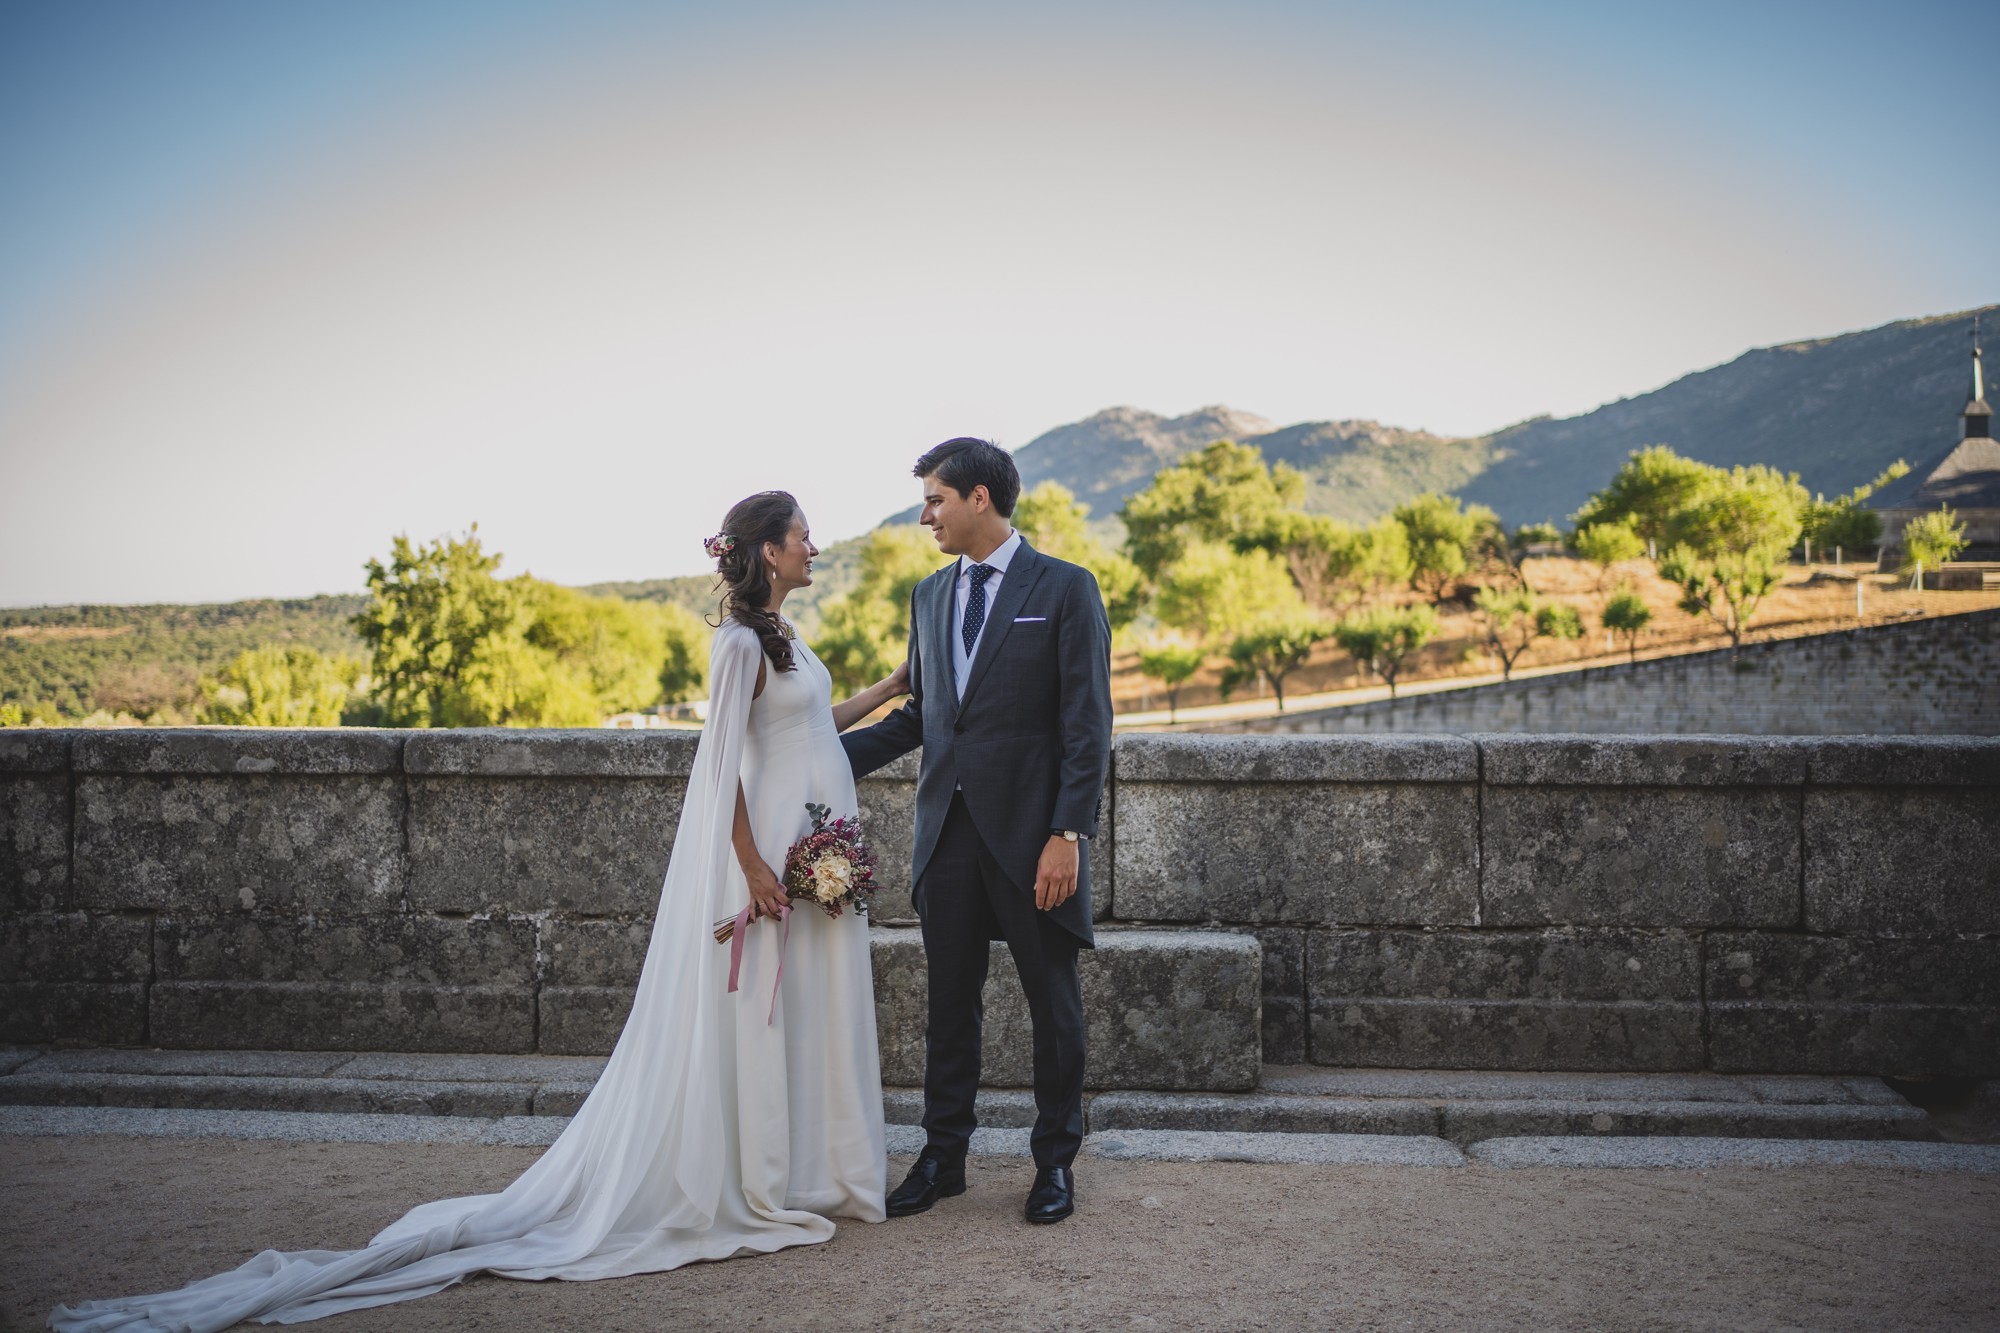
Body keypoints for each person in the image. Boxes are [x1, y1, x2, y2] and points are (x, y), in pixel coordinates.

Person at [52, 491, 906, 1332]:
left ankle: (803, 1170)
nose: (815, 547)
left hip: (809, 854)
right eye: (802, 536)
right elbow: (719, 770)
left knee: (795, 1016)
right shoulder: (735, 648)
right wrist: (754, 864)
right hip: (763, 869)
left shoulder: (784, 636)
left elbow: (810, 734)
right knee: (754, 1023)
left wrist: (891, 689)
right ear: (765, 550)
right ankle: (754, 1179)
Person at [841, 438, 1114, 1226]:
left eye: (935, 499)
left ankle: (1055, 1161)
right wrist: (811, 754)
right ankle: (943, 1156)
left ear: (980, 499)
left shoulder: (1065, 588)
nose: (926, 514)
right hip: (947, 838)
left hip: (1035, 839)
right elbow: (926, 716)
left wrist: (1068, 831)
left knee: (1052, 1003)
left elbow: (1086, 724)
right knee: (948, 1004)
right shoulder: (929, 596)